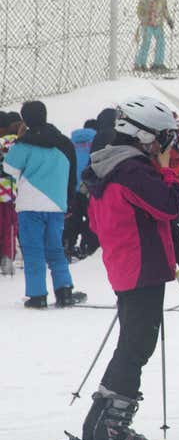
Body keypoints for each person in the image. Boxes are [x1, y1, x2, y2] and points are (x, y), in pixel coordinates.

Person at [62, 98, 179, 440]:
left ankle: (102, 421)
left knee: (132, 345)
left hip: (126, 264)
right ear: (143, 135)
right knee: (136, 347)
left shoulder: (110, 164)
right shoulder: (134, 170)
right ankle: (111, 428)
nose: (167, 147)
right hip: (141, 267)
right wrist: (165, 171)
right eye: (164, 139)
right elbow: (169, 205)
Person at [4, 101, 83, 308]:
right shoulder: (64, 143)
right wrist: (69, 201)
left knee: (33, 251)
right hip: (57, 203)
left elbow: (9, 167)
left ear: (26, 120)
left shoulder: (24, 143)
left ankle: (37, 295)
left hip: (30, 204)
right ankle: (64, 290)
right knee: (55, 249)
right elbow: (72, 173)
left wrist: (20, 139)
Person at [133, 0, 174, 71]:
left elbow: (165, 9)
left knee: (161, 42)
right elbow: (139, 10)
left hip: (158, 23)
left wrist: (169, 20)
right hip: (147, 23)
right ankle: (140, 63)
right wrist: (143, 18)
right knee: (146, 42)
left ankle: (158, 63)